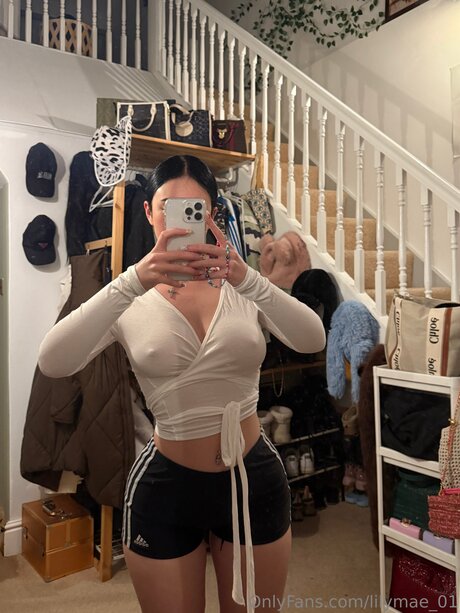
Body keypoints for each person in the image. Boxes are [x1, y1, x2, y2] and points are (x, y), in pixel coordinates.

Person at [38, 155, 326, 613]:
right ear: (149, 212)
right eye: (169, 207)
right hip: (166, 485)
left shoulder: (242, 287)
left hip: (252, 476)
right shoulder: (128, 296)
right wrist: (132, 282)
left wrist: (249, 279)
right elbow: (53, 361)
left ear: (212, 215)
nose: (181, 221)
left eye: (196, 209)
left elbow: (313, 339)